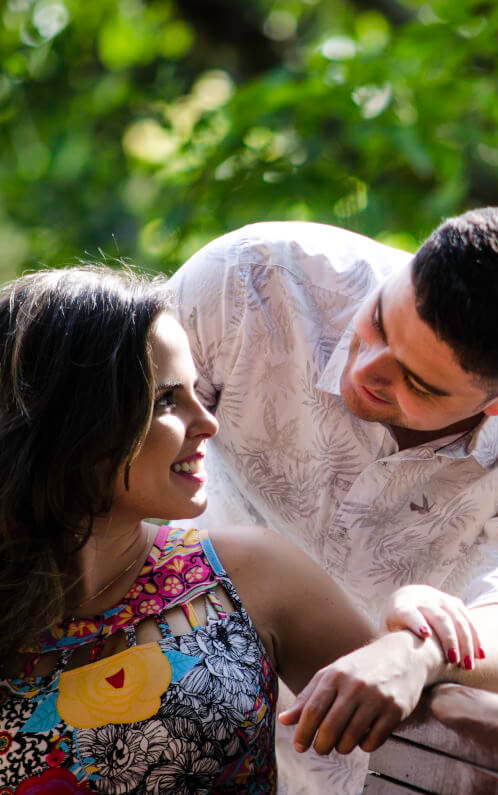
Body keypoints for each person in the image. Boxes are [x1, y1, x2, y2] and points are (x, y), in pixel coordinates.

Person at [169, 206, 498, 793]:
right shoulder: (252, 278)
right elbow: (103, 450)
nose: (365, 368)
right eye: (379, 322)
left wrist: (424, 649)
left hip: (359, 768)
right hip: (157, 701)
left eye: (418, 383)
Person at [0, 267, 444, 792]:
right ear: (71, 423)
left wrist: (422, 647)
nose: (208, 422)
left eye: (196, 390)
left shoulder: (249, 573)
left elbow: (418, 704)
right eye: (167, 399)